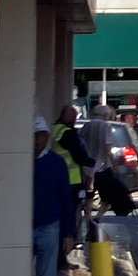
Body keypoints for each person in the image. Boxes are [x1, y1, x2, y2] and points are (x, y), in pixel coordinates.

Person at [32, 115, 75, 276]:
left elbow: (66, 199)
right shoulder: (21, 162)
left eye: (39, 137)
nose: (36, 142)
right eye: (33, 137)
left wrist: (69, 233)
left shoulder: (56, 163)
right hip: (24, 228)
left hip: (49, 226)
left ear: (46, 138)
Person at [51, 104, 96, 267]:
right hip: (71, 181)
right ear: (69, 118)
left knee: (64, 218)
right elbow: (79, 155)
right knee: (68, 219)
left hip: (61, 180)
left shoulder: (55, 129)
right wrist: (92, 163)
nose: (75, 120)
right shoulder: (67, 133)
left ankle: (60, 257)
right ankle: (62, 258)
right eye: (74, 118)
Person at [80, 104, 135, 216]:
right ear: (106, 115)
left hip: (86, 168)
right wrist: (114, 166)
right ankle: (98, 217)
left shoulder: (86, 126)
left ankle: (86, 218)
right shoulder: (105, 126)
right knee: (107, 196)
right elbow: (108, 148)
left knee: (88, 196)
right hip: (102, 167)